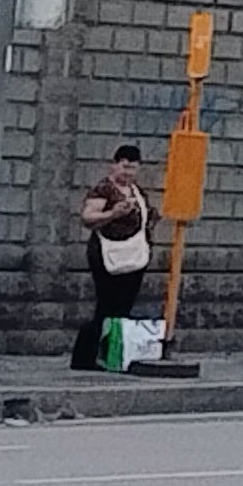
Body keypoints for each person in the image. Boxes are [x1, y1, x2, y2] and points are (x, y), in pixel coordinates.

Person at [71, 143, 156, 370]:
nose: (127, 172)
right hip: (107, 254)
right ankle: (84, 357)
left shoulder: (137, 191)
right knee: (106, 305)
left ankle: (113, 354)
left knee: (123, 308)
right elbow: (88, 217)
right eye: (124, 166)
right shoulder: (104, 190)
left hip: (133, 255)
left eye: (132, 168)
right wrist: (113, 214)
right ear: (115, 165)